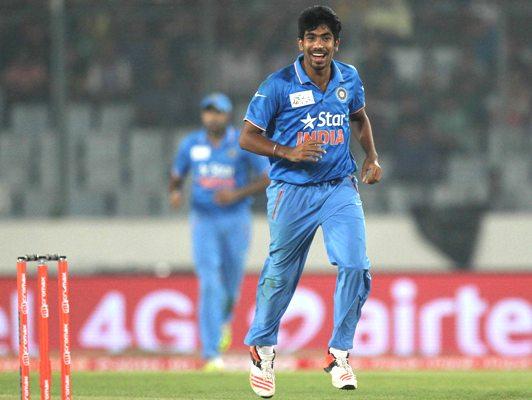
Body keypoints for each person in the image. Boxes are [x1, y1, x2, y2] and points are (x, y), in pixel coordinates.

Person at [239, 6, 382, 397]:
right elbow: (247, 137)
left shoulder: (348, 77)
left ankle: (339, 354)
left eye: (326, 38)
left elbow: (358, 117)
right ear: (301, 43)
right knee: (280, 275)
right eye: (312, 38)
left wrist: (370, 156)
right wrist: (288, 151)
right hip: (291, 190)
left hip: (339, 186)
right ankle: (262, 349)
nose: (319, 46)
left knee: (355, 264)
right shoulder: (279, 84)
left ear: (336, 43)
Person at [169, 93, 270, 370]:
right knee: (209, 282)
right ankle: (211, 353)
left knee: (231, 287)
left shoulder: (241, 143)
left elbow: (266, 177)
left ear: (228, 116)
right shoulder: (191, 144)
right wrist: (175, 192)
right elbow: (177, 174)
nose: (212, 117)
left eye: (218, 112)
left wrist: (236, 194)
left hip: (236, 219)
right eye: (208, 112)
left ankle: (223, 321)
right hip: (204, 220)